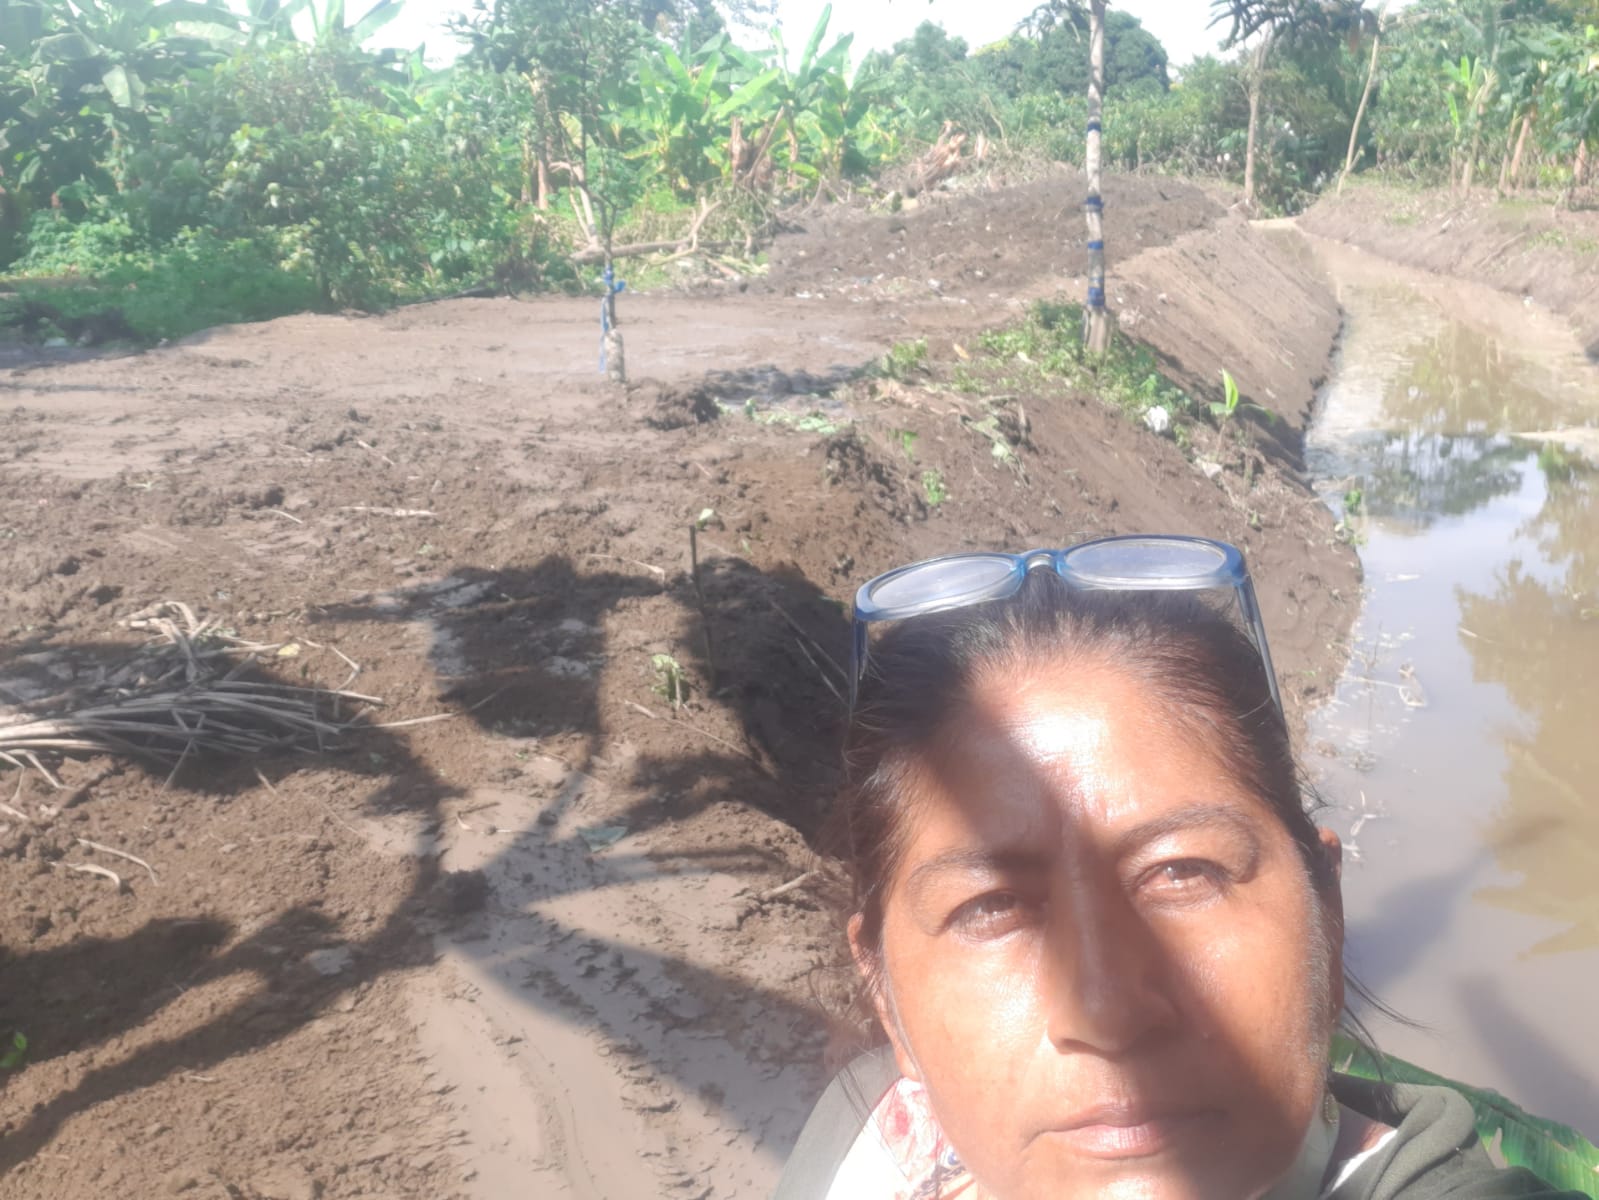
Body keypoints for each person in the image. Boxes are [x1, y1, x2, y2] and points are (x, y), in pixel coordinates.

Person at [776, 537, 1581, 1200]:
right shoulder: (859, 1138)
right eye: (989, 906)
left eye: (1183, 873)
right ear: (884, 992)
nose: (1108, 1013)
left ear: (1327, 919)